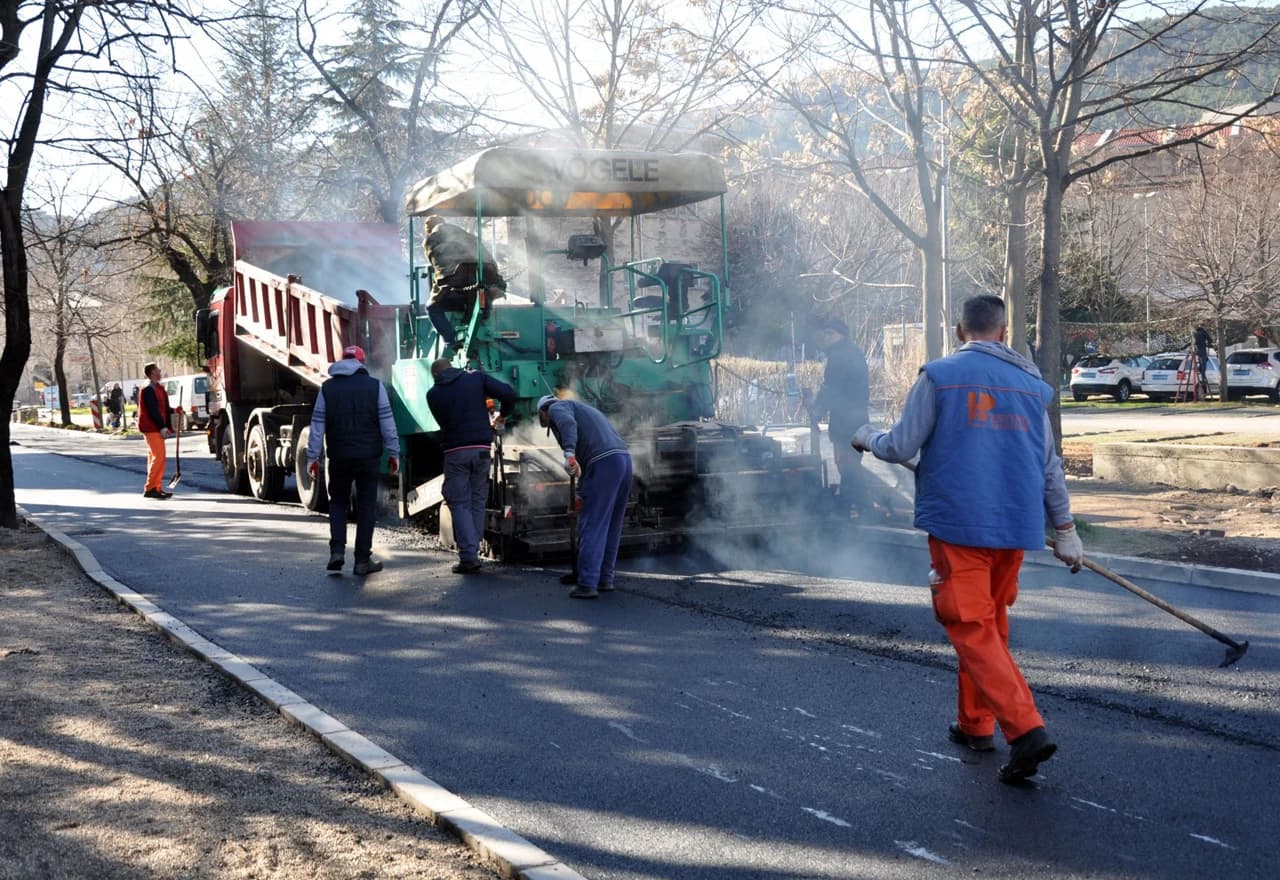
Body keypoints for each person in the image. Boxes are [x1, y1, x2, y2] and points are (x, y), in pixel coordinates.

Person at [851, 294, 1084, 785]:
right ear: (1003, 332)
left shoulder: (939, 376)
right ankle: (975, 724)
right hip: (1013, 528)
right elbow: (1049, 467)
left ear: (960, 331)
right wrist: (1065, 530)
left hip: (959, 526)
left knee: (969, 624)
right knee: (989, 623)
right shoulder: (1031, 387)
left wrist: (867, 437)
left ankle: (1025, 729)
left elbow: (899, 445)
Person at [305, 345, 400, 576]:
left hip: (339, 457)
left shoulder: (327, 388)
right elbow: (387, 423)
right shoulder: (375, 386)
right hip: (368, 458)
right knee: (366, 506)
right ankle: (362, 560)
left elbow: (317, 426)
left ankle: (337, 552)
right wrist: (394, 452)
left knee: (338, 502)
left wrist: (312, 457)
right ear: (361, 363)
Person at [426, 358, 517, 573]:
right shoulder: (475, 378)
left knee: (459, 502)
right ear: (452, 367)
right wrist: (502, 416)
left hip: (455, 452)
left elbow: (443, 423)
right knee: (477, 501)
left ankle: (469, 556)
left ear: (435, 375)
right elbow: (509, 394)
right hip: (482, 449)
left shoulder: (433, 394)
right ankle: (472, 549)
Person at [537, 395, 632, 599]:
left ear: (543, 412)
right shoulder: (585, 410)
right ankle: (604, 579)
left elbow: (568, 424)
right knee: (611, 525)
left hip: (603, 463)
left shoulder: (557, 408)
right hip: (623, 461)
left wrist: (569, 454)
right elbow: (585, 468)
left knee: (592, 525)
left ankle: (588, 583)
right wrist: (579, 496)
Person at [810, 319, 870, 516]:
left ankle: (857, 508)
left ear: (841, 335)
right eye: (825, 333)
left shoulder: (838, 356)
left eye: (831, 333)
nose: (826, 337)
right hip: (858, 420)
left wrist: (818, 409)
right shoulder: (854, 353)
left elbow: (831, 388)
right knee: (851, 464)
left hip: (845, 422)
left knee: (846, 464)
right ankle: (855, 507)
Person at [422, 215, 507, 350]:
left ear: (428, 229)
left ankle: (451, 342)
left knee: (431, 308)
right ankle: (478, 316)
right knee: (478, 294)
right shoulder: (468, 236)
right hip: (486, 278)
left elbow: (438, 266)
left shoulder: (431, 239)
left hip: (457, 283)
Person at [138, 364, 175, 499]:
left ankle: (155, 487)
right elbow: (153, 410)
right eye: (158, 370)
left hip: (153, 427)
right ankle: (151, 488)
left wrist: (174, 410)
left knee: (154, 458)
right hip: (152, 427)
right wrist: (162, 427)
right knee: (159, 457)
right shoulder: (149, 388)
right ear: (152, 372)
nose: (160, 372)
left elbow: (161, 407)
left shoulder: (156, 387)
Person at [1193, 325, 1212, 393]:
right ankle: (1203, 378)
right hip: (1202, 349)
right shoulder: (1203, 333)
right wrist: (1208, 343)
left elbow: (1193, 342)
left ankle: (1200, 370)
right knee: (1203, 363)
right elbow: (1210, 340)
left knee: (1201, 362)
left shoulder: (1194, 333)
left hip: (1197, 350)